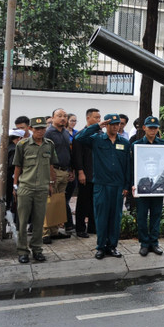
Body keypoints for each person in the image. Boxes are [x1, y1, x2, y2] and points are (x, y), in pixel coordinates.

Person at [74, 113, 132, 260]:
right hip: (101, 185)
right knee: (101, 217)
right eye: (112, 124)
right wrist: (97, 126)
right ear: (106, 125)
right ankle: (100, 247)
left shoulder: (125, 143)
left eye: (117, 124)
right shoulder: (97, 139)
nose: (115, 127)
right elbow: (79, 138)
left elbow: (128, 166)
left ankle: (112, 246)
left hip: (118, 186)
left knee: (115, 218)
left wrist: (126, 185)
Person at [13, 116, 58, 264]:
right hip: (25, 187)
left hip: (42, 188)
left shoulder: (49, 145)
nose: (40, 131)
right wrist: (15, 186)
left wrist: (51, 183)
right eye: (37, 129)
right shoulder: (23, 145)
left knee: (39, 221)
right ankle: (22, 251)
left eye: (43, 128)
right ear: (31, 129)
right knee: (23, 221)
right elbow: (17, 167)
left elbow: (51, 166)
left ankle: (37, 250)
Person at [131, 116, 164, 256]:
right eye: (150, 127)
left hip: (158, 188)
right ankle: (144, 244)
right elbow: (132, 167)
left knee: (156, 216)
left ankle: (154, 243)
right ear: (144, 128)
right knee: (141, 217)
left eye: (155, 128)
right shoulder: (136, 145)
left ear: (158, 129)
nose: (152, 130)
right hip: (142, 187)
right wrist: (132, 184)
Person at [44, 108, 74, 241]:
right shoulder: (48, 133)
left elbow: (68, 152)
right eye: (59, 116)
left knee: (58, 202)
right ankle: (45, 233)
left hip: (65, 171)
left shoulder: (66, 133)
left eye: (65, 116)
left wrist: (71, 170)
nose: (63, 118)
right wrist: (50, 174)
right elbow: (46, 155)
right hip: (53, 171)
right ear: (53, 118)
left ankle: (55, 231)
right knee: (49, 201)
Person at [70, 108, 100, 238]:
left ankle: (93, 227)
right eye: (96, 117)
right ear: (88, 118)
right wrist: (80, 172)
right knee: (83, 202)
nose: (99, 120)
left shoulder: (99, 134)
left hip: (97, 175)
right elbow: (77, 156)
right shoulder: (80, 135)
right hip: (85, 174)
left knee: (95, 202)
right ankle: (80, 228)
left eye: (99, 117)